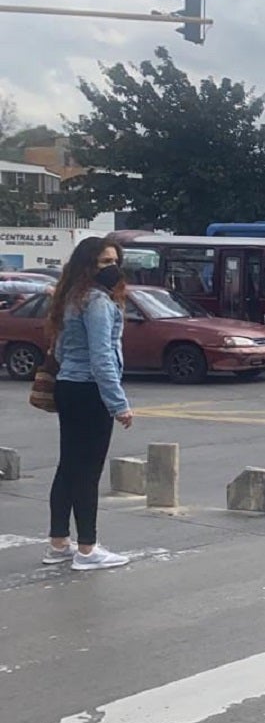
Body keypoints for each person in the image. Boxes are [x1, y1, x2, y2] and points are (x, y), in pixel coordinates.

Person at [41, 235, 134, 571]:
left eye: (115, 261)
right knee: (88, 472)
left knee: (68, 466)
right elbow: (102, 357)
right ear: (88, 265)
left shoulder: (70, 298)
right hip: (90, 391)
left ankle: (58, 543)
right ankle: (87, 549)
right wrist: (118, 404)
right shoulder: (98, 302)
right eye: (105, 262)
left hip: (69, 387)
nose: (113, 268)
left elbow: (61, 350)